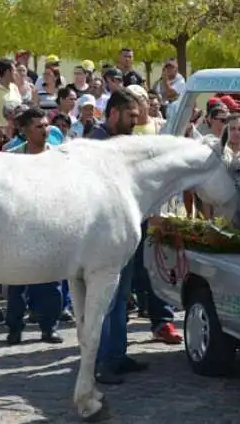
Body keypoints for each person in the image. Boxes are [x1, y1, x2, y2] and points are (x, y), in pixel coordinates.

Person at [92, 89, 149, 385]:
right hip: (102, 237)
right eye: (130, 117)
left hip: (124, 234)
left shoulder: (123, 143)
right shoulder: (95, 144)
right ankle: (100, 362)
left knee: (121, 298)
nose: (134, 123)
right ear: (114, 113)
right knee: (106, 300)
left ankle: (117, 355)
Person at [5, 108, 64, 345]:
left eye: (46, 125)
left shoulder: (59, 157)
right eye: (39, 127)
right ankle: (15, 327)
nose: (45, 130)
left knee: (51, 281)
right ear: (25, 131)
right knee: (17, 281)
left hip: (51, 225)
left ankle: (49, 327)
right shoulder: (13, 157)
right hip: (19, 226)